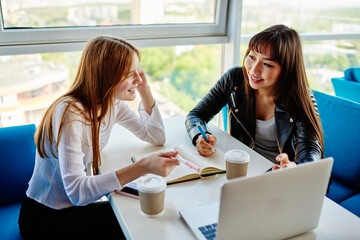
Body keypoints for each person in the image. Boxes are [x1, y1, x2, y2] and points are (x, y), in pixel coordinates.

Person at [18, 36, 179, 239]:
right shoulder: (71, 113)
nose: (138, 79)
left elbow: (155, 136)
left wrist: (145, 90)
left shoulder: (112, 104)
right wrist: (143, 167)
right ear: (107, 77)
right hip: (45, 217)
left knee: (140, 214)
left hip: (71, 207)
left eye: (139, 72)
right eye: (131, 74)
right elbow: (77, 192)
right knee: (133, 220)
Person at [185, 24, 324, 170]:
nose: (254, 70)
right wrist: (200, 136)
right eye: (252, 57)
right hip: (241, 165)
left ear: (286, 70)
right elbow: (197, 115)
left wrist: (294, 167)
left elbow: (311, 149)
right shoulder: (235, 79)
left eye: (267, 64)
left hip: (277, 174)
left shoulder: (299, 96)